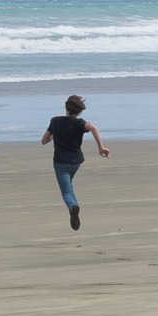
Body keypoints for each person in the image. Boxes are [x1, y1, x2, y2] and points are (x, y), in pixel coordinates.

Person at [41, 94, 109, 231]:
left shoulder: (55, 121)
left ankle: (73, 207)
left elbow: (44, 140)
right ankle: (74, 208)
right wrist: (100, 147)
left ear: (66, 107)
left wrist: (57, 133)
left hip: (61, 163)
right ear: (80, 111)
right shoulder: (79, 123)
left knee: (66, 191)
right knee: (69, 185)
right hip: (76, 162)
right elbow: (93, 128)